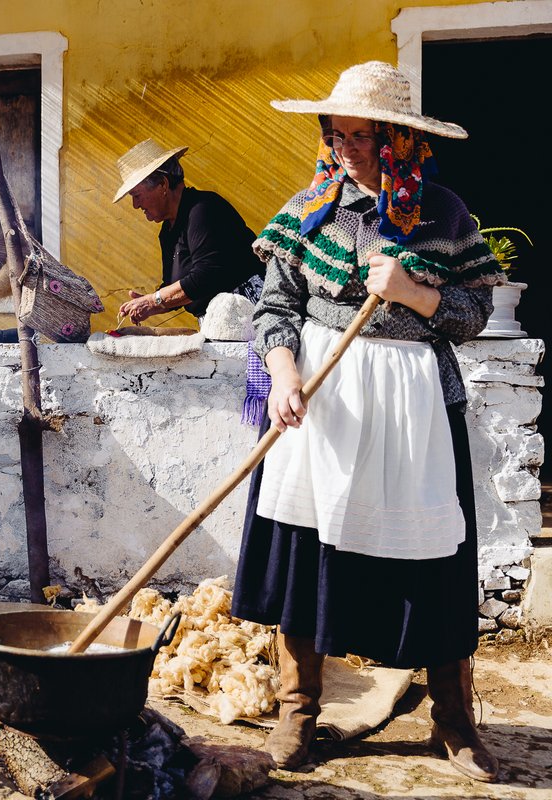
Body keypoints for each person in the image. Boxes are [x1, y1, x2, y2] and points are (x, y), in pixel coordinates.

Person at [230, 62, 505, 780]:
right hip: (326, 404)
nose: (345, 147)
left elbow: (473, 315)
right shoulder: (310, 207)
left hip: (415, 406)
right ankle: (297, 714)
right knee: (306, 556)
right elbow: (274, 306)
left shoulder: (445, 214)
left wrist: (413, 292)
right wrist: (285, 372)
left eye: (363, 135)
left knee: (436, 562)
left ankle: (454, 722)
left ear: (399, 140)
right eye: (337, 133)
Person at [114, 138, 265, 324]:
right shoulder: (168, 231)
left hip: (250, 317)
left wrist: (154, 300)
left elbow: (206, 276)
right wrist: (150, 303)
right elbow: (179, 287)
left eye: (137, 195)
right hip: (218, 323)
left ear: (163, 184)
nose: (135, 205)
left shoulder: (203, 209)